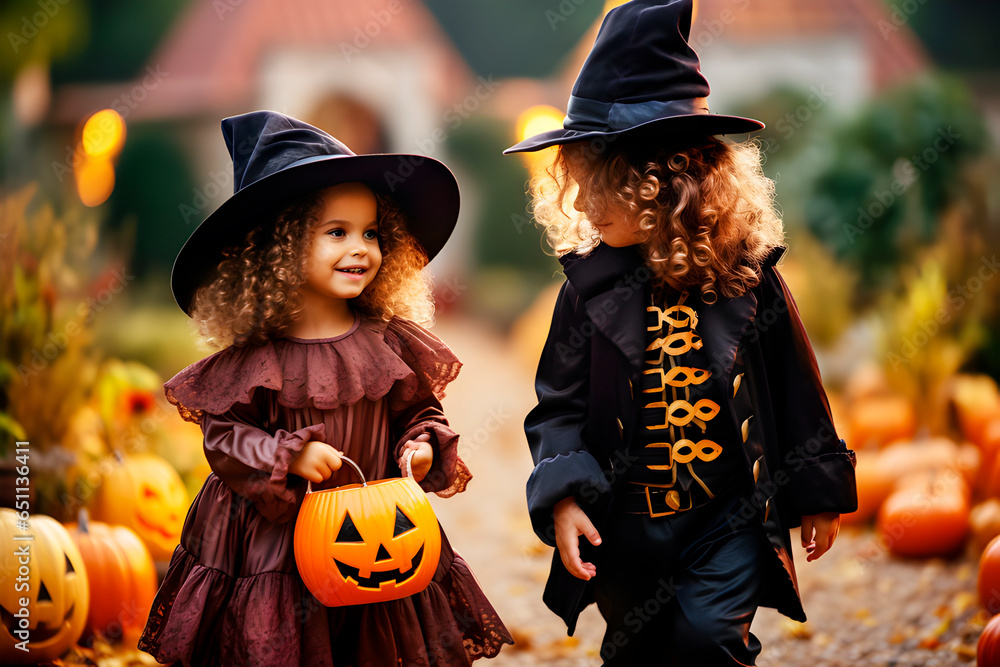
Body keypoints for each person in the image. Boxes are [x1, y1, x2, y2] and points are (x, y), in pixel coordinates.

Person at [504, 2, 858, 665]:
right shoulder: (585, 294)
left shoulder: (749, 281)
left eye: (595, 187)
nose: (579, 205)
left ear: (660, 184)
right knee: (637, 646)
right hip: (626, 524)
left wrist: (817, 490)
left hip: (724, 516)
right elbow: (559, 406)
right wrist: (565, 496)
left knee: (709, 640)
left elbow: (795, 386)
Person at [139, 111, 512, 666]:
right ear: (279, 248)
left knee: (370, 640)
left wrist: (422, 442)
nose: (359, 247)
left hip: (373, 528)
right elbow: (224, 438)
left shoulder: (386, 342)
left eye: (370, 233)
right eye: (336, 232)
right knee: (290, 642)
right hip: (272, 540)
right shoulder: (255, 361)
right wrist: (286, 455)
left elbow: (418, 409)